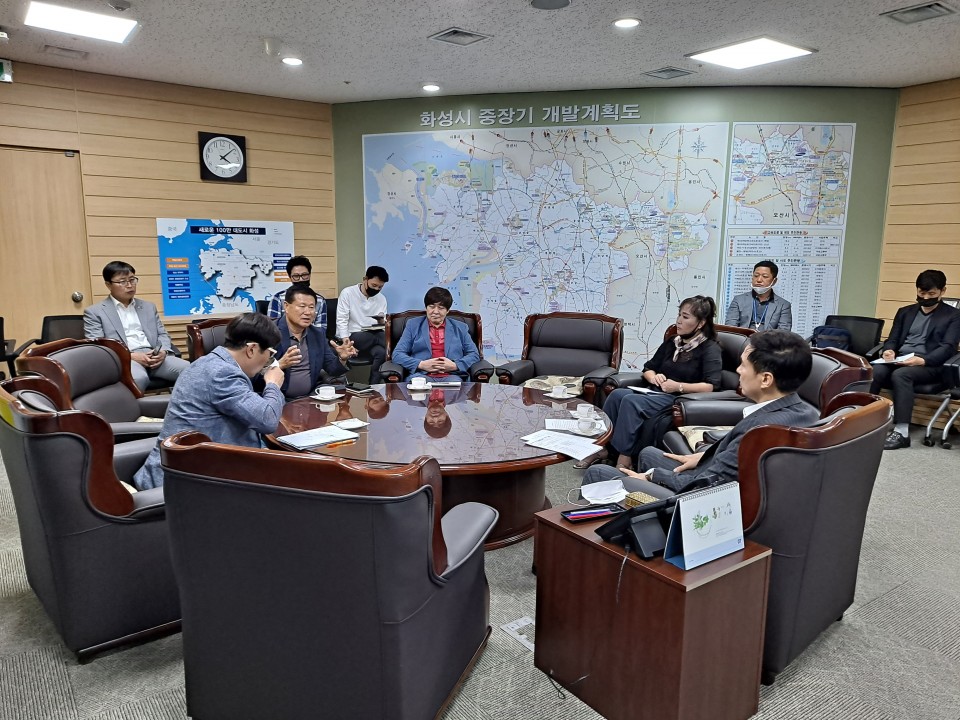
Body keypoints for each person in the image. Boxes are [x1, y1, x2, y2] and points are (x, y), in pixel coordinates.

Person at [584, 329, 819, 494]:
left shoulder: (758, 432)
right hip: (712, 478)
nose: (738, 371)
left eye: (744, 366)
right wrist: (704, 457)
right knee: (648, 454)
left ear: (766, 379)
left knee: (599, 474)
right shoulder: (805, 413)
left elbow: (704, 487)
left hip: (695, 503)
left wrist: (654, 477)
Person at [133, 313, 287, 490]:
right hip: (184, 481)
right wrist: (273, 384)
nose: (269, 360)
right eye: (270, 353)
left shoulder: (209, 363)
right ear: (251, 349)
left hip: (196, 464)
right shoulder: (222, 374)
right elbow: (268, 420)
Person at [576, 296, 722, 470]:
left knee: (631, 401)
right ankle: (601, 447)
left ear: (700, 323)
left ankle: (625, 458)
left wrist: (678, 386)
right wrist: (653, 377)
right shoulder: (673, 342)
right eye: (679, 315)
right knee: (616, 395)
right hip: (654, 391)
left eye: (685, 317)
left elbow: (711, 386)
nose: (678, 320)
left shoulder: (710, 348)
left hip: (678, 398)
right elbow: (648, 368)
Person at [870, 269, 960, 449]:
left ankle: (902, 433)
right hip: (902, 360)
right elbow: (892, 339)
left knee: (901, 375)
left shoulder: (953, 315)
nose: (926, 297)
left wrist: (922, 360)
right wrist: (889, 351)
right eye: (922, 292)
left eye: (931, 294)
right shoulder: (905, 312)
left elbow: (948, 347)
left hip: (932, 365)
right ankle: (865, 421)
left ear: (942, 291)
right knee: (874, 371)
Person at [83, 261, 190, 392]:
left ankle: (182, 404)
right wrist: (131, 356)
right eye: (122, 281)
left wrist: (163, 351)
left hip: (154, 356)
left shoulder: (148, 307)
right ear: (108, 285)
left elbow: (162, 334)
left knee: (192, 370)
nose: (130, 285)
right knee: (138, 378)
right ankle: (133, 406)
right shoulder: (95, 312)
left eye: (132, 280)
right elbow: (98, 346)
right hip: (126, 359)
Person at [275, 286, 358, 399]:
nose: (308, 312)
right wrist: (279, 365)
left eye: (311, 307)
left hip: (311, 398)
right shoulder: (269, 332)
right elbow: (254, 375)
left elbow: (332, 369)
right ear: (286, 306)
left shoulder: (317, 334)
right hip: (279, 400)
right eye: (302, 306)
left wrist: (342, 359)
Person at [390, 286, 480, 381]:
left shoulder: (460, 327)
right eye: (431, 307)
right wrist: (421, 364)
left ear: (447, 310)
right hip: (421, 375)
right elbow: (397, 354)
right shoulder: (413, 325)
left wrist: (455, 365)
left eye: (441, 308)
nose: (435, 312)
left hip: (452, 376)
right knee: (419, 386)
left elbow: (474, 354)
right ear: (426, 308)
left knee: (455, 387)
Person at [336, 265, 389, 383]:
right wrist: (346, 342)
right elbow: (342, 319)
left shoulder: (381, 299)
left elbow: (382, 325)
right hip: (352, 336)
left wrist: (381, 321)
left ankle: (373, 387)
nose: (376, 289)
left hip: (372, 337)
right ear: (365, 279)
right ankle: (396, 349)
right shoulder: (348, 293)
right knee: (384, 339)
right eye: (374, 285)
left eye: (380, 287)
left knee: (381, 353)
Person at [267, 255, 328, 336]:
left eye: (304, 275)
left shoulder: (320, 300)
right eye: (296, 276)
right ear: (290, 277)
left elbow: (321, 331)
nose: (301, 279)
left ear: (310, 275)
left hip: (311, 340)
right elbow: (272, 328)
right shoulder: (278, 298)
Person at [725, 260, 792, 332]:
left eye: (765, 276)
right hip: (742, 338)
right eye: (756, 276)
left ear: (774, 281)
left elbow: (783, 332)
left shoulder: (783, 305)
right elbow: (730, 327)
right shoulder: (738, 300)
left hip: (769, 339)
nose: (759, 280)